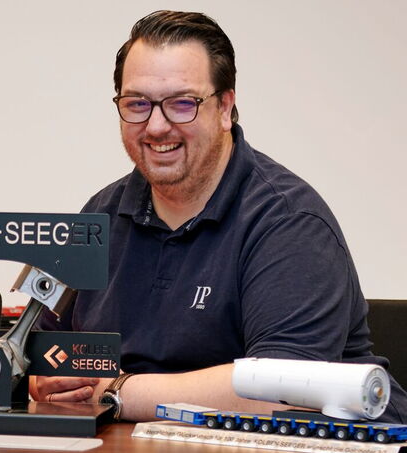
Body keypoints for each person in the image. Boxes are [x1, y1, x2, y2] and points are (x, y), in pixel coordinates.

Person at [32, 10, 406, 423]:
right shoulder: (100, 214)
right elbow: (39, 349)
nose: (155, 126)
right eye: (137, 104)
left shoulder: (289, 222)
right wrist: (45, 380)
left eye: (182, 104)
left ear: (225, 107)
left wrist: (116, 391)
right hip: (133, 445)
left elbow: (283, 392)